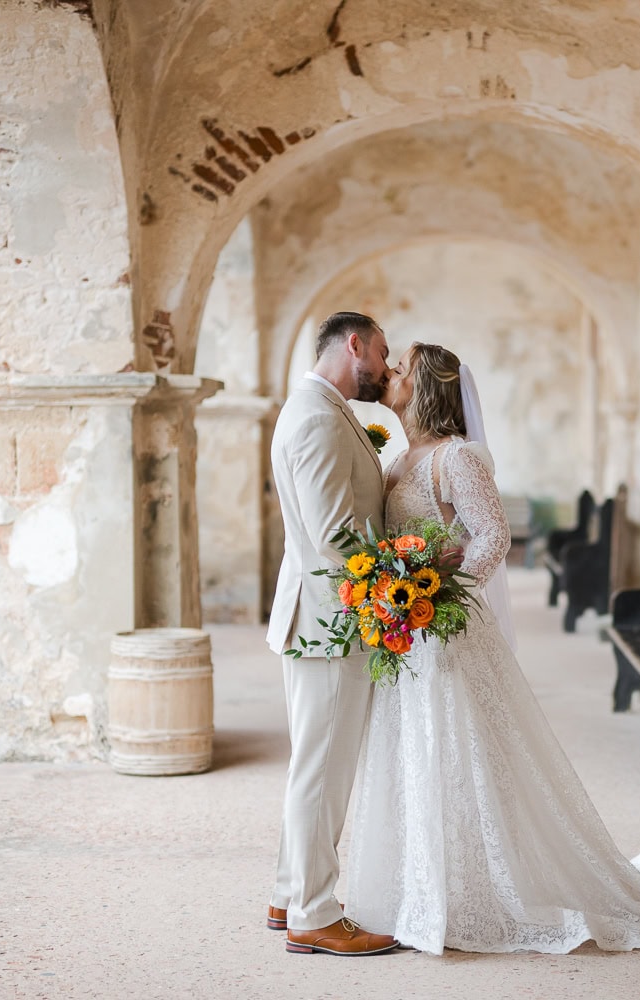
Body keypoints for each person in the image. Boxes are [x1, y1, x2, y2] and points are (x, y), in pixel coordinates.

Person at [344, 342, 640, 955]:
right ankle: (422, 889)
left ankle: (470, 891)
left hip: (446, 627)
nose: (390, 373)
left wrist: (433, 587)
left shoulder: (456, 459)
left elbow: (493, 538)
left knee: (459, 752)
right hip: (409, 633)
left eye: (400, 368)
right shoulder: (400, 460)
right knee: (418, 751)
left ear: (425, 385)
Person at [264, 311, 400, 956]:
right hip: (331, 620)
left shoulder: (321, 407)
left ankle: (290, 890)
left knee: (313, 765)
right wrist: (397, 578)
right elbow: (332, 535)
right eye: (381, 350)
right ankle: (313, 914)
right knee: (322, 771)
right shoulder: (317, 416)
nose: (385, 364)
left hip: (321, 614)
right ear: (354, 345)